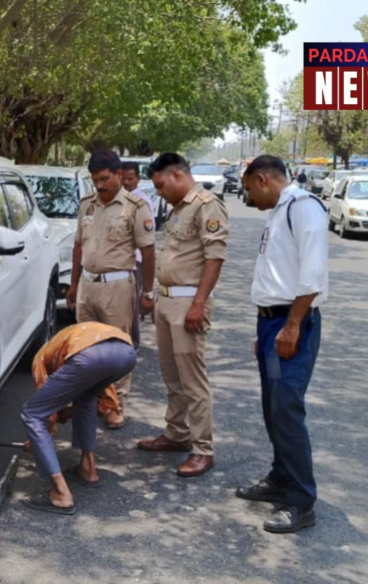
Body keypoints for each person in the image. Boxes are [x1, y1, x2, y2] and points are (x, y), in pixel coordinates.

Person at [236, 155, 328, 534]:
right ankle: (280, 479)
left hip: (294, 323)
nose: (249, 199)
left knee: (288, 412)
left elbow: (312, 275)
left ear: (262, 180)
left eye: (248, 191)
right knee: (273, 409)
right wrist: (266, 330)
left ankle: (302, 500)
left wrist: (290, 327)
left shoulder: (304, 209)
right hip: (273, 322)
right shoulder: (277, 211)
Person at [136, 152, 229, 478]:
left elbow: (214, 257)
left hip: (189, 302)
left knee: (192, 380)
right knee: (172, 376)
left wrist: (199, 304)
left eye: (160, 185)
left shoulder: (207, 205)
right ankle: (176, 434)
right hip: (167, 302)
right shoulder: (178, 209)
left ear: (177, 175)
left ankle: (203, 450)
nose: (158, 192)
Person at [66, 150, 156, 430]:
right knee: (86, 348)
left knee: (118, 347)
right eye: (96, 181)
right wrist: (74, 283)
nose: (100, 186)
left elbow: (148, 251)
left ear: (119, 175)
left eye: (105, 179)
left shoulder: (135, 206)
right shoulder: (87, 205)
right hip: (87, 286)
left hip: (117, 285)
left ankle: (117, 404)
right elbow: (79, 245)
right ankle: (94, 399)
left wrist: (147, 292)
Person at [21, 322, 137, 515]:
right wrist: (66, 413)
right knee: (86, 397)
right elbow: (105, 402)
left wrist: (39, 439)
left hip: (90, 357)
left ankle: (60, 494)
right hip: (126, 353)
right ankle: (88, 468)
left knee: (32, 413)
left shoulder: (40, 359)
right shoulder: (70, 340)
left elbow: (44, 414)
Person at [122, 160, 154, 350]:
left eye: (130, 178)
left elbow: (147, 240)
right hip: (119, 262)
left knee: (131, 303)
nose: (126, 182)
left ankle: (132, 342)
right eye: (123, 178)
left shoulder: (141, 202)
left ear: (138, 179)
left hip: (135, 261)